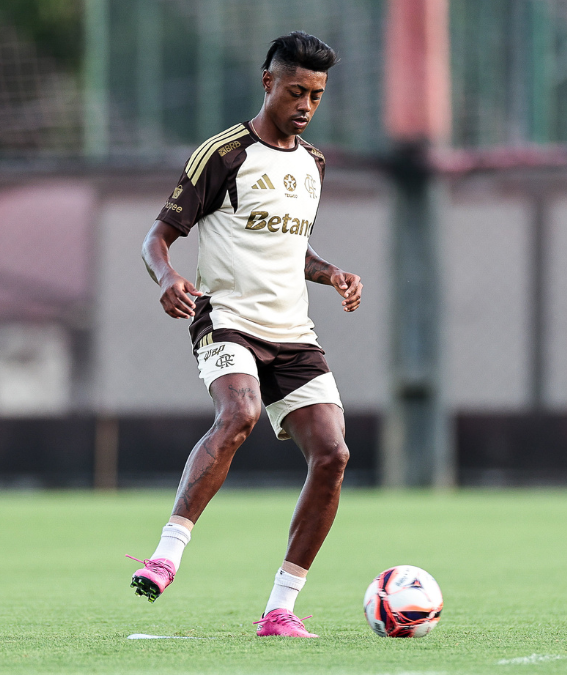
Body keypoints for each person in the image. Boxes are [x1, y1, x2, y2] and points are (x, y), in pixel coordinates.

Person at [133, 31, 363, 638]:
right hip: (227, 317)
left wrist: (331, 272)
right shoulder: (224, 154)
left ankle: (280, 610)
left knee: (334, 454)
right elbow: (156, 237)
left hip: (293, 330)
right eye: (296, 91)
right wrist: (167, 278)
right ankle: (166, 556)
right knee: (240, 413)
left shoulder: (312, 163)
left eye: (316, 94)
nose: (306, 105)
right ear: (268, 84)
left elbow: (290, 249)